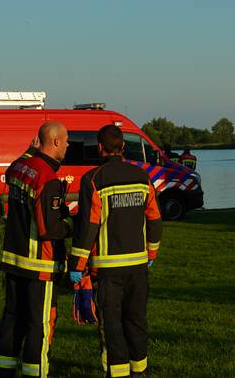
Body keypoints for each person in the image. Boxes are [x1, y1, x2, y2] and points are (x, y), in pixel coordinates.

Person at [69, 124, 163, 378]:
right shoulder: (143, 177)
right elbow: (154, 220)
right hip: (138, 267)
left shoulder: (93, 179)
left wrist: (77, 266)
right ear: (123, 146)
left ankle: (119, 373)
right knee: (136, 321)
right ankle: (140, 371)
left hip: (108, 270)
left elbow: (88, 226)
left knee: (112, 325)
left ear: (100, 148)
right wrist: (151, 254)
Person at [0, 121, 73, 378]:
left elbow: (10, 173)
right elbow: (49, 229)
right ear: (56, 141)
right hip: (39, 265)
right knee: (39, 324)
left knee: (12, 318)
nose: (69, 145)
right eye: (67, 140)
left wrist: (29, 150)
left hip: (14, 260)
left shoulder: (20, 167)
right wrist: (71, 224)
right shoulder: (47, 178)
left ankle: (2, 370)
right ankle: (35, 372)